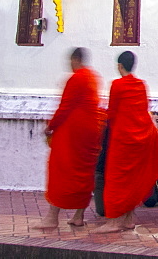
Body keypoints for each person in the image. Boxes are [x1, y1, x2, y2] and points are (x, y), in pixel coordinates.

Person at [92, 51, 158, 233]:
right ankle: (128, 219)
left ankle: (114, 222)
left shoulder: (117, 85)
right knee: (132, 180)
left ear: (119, 66)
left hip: (122, 140)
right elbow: (143, 110)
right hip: (141, 139)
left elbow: (113, 113)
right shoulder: (141, 85)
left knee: (116, 180)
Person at [35, 47, 104, 229]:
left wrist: (51, 126)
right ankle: (78, 216)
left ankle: (52, 217)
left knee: (61, 171)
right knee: (84, 174)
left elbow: (65, 107)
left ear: (75, 60)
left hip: (73, 134)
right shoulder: (93, 78)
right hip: (91, 133)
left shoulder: (77, 77)